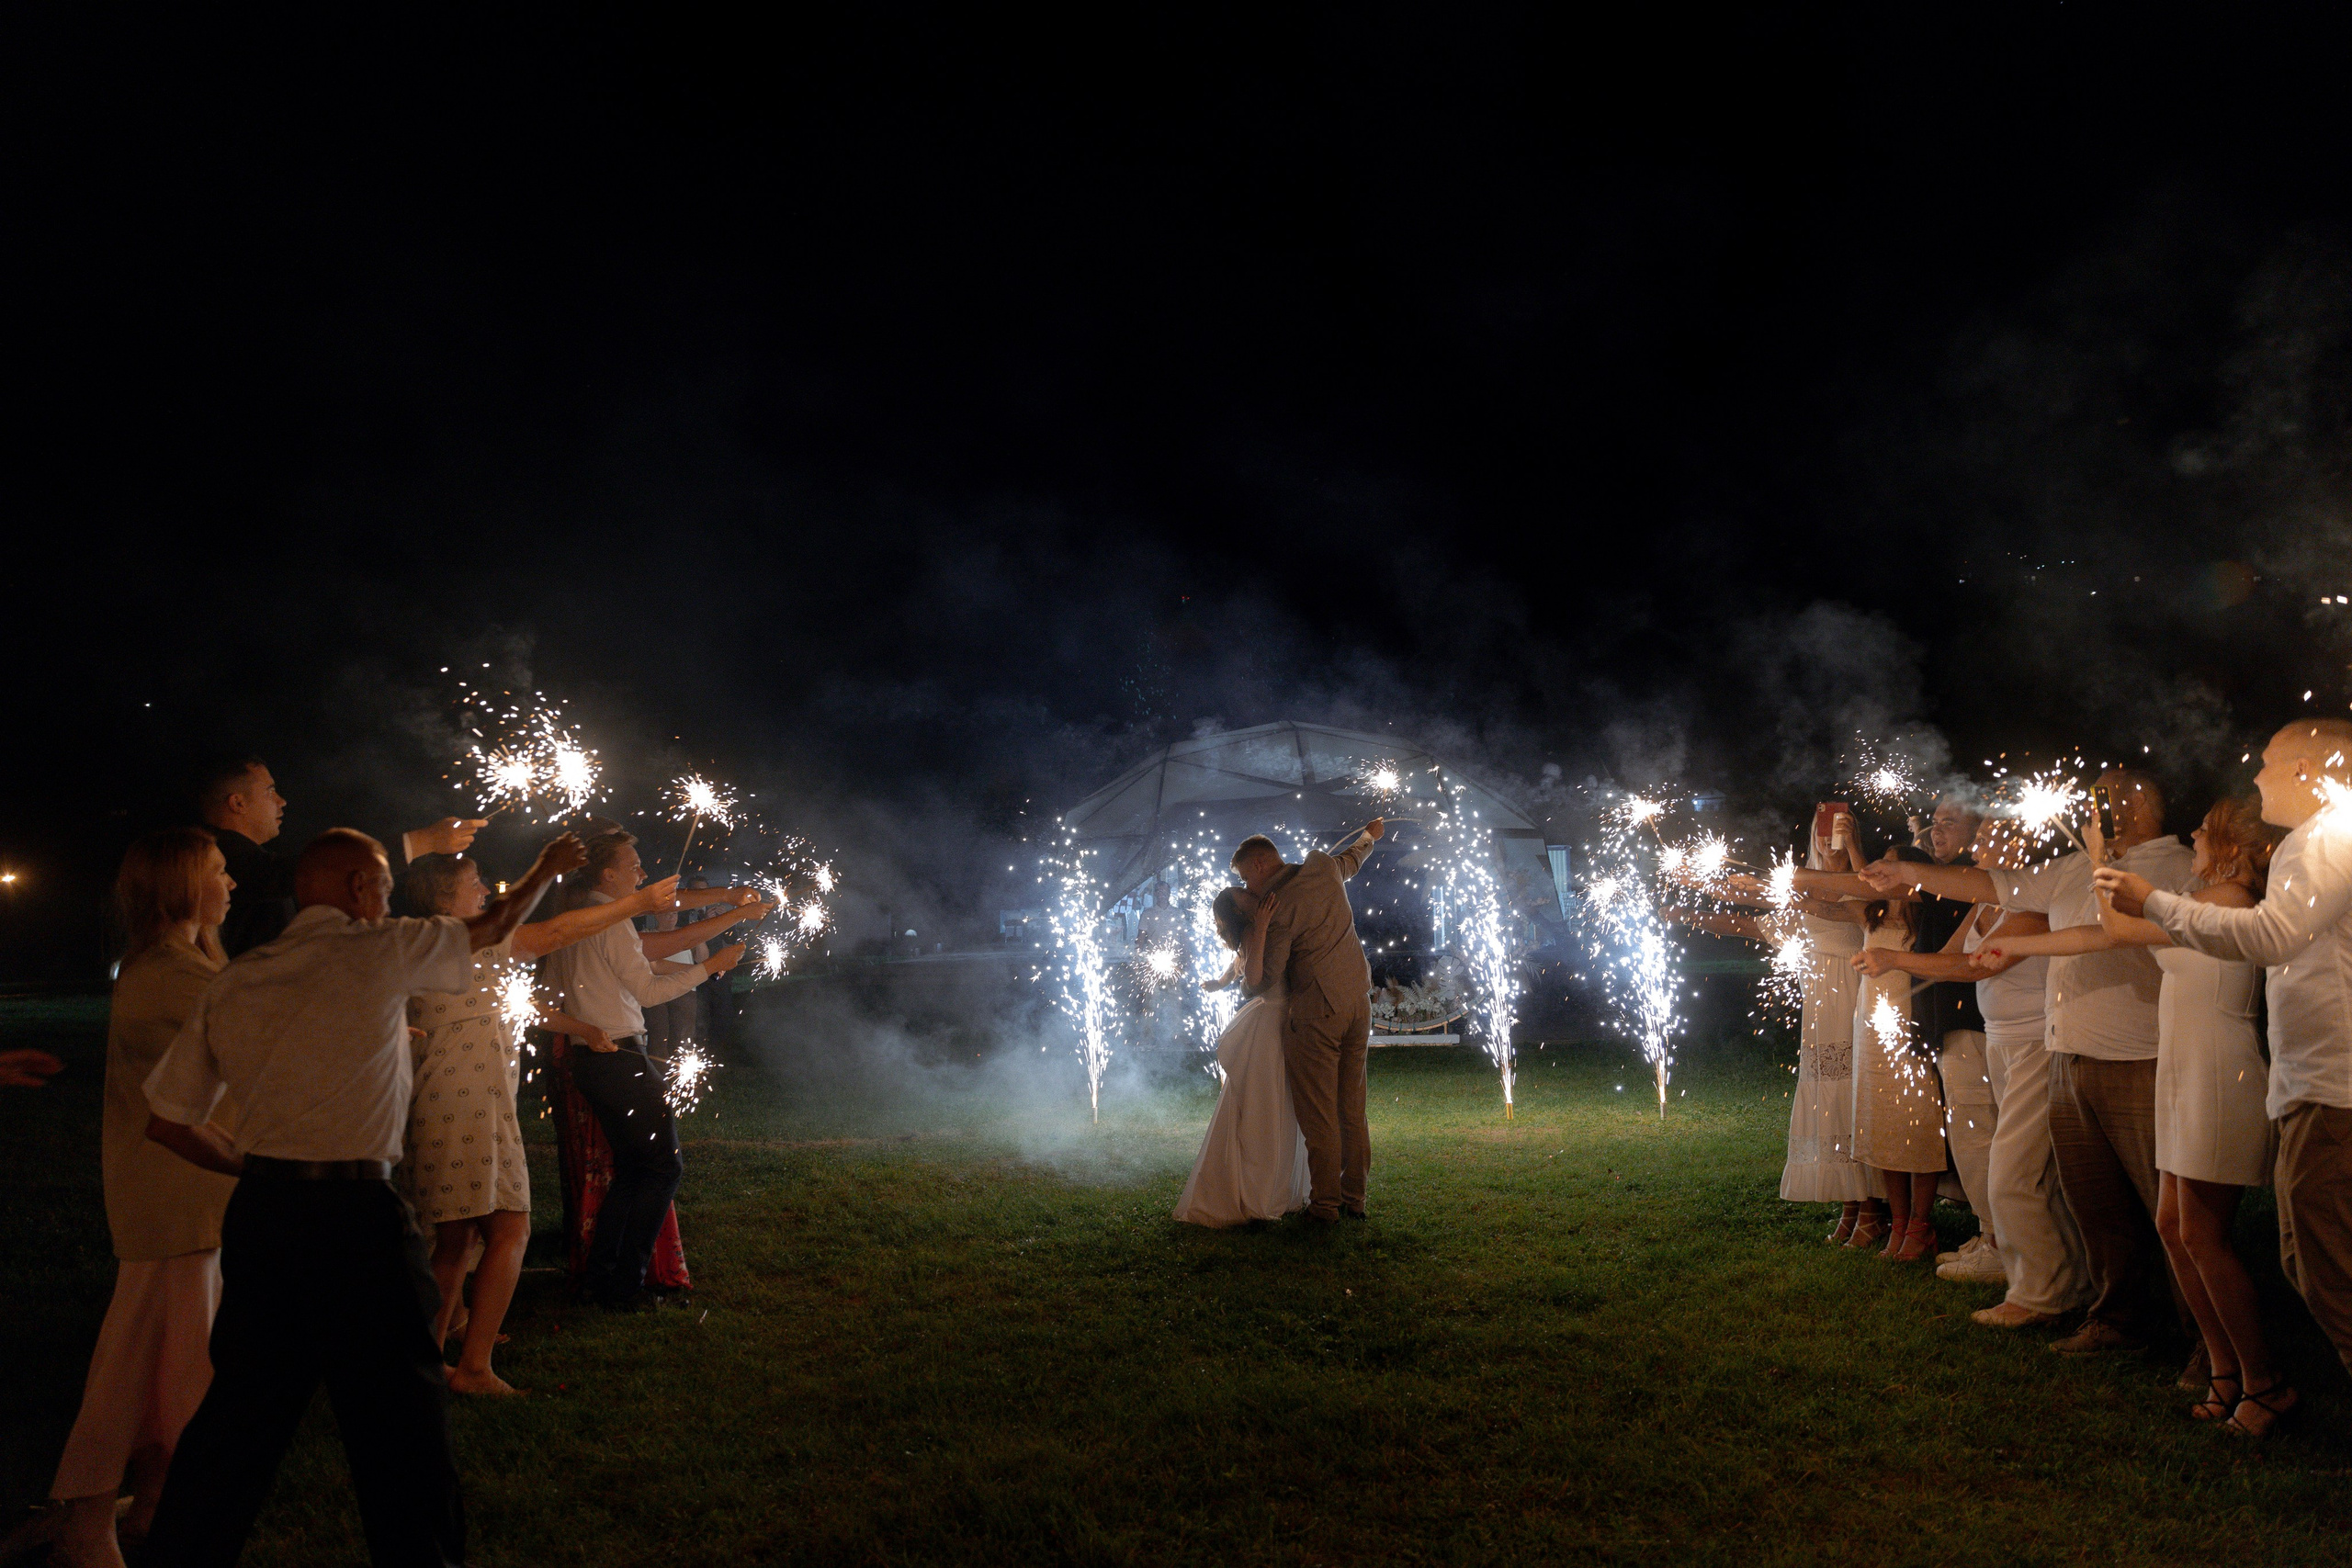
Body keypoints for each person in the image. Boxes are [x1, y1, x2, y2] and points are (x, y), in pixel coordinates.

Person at [138, 827, 584, 1568]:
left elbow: (168, 1119)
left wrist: (254, 1165)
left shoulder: (239, 976)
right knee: (401, 1424)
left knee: (238, 1420)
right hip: (356, 1217)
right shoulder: (379, 948)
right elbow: (494, 926)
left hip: (265, 1213)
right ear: (356, 888)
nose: (388, 899)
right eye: (382, 884)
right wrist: (547, 866)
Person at [1865, 769, 2195, 1358]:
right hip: (2070, 1050)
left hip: (2136, 1056)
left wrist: (2016, 945)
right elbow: (1992, 887)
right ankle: (2116, 1316)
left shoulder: (2170, 866)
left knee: (2164, 1206)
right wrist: (1911, 871)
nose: (2090, 809)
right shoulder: (2072, 869)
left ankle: (2199, 1335)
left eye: (2103, 799)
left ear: (2134, 807)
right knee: (2096, 1203)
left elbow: (2110, 935)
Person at [1983, 798, 2281, 1430]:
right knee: (2175, 1228)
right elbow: (2098, 934)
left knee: (2203, 1234)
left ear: (2229, 845)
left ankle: (2264, 1380)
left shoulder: (2227, 905)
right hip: (2183, 1069)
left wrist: (2097, 857)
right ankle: (2227, 1371)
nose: (2194, 831)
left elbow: (2117, 929)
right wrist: (2016, 942)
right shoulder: (2202, 901)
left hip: (2217, 1075)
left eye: (2205, 827)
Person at [2100, 718, 2352, 1437]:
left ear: (2310, 767)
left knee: (2328, 1270)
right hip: (2316, 1082)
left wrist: (2153, 899)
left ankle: (2265, 1384)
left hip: (2333, 1085)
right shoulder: (2328, 837)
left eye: (2270, 762)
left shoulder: (2329, 835)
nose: (2258, 775)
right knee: (2314, 1262)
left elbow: (2271, 937)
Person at [400, 852, 686, 1394]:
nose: (485, 886)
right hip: (469, 1107)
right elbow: (555, 932)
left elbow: (517, 1003)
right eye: (473, 881)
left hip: (455, 1103)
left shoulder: (427, 945)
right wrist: (637, 904)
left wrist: (579, 1025)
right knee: (510, 1229)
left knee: (456, 1238)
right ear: (444, 898)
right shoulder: (464, 939)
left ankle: (432, 1360)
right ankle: (472, 1367)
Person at [40, 829, 238, 1568]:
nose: (232, 883)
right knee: (133, 1360)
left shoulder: (187, 963)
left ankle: (155, 1502)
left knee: (178, 1358)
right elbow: (258, 1026)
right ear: (185, 883)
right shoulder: (169, 974)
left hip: (195, 1190)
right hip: (168, 1192)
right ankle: (85, 1517)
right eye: (219, 871)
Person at [1860, 819, 2086, 1325]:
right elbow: (1946, 958)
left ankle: (2040, 1291)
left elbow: (1979, 964)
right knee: (2022, 1167)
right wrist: (1894, 964)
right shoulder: (1989, 902)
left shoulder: (2034, 901)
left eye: (1992, 839)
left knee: (2014, 1169)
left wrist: (1891, 958)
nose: (1979, 847)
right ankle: (2058, 1272)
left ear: (2022, 845)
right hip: (2002, 1040)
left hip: (2034, 1042)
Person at [539, 831, 764, 1308]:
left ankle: (604, 1280)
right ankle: (624, 1286)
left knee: (635, 1170)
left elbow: (639, 964)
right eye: (634, 865)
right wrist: (711, 968)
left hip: (591, 1060)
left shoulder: (573, 921)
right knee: (664, 1166)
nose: (643, 875)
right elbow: (647, 991)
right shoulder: (612, 923)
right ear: (609, 874)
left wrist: (730, 908)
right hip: (620, 1060)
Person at [1231, 820, 1383, 1223]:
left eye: (1247, 878)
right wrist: (1369, 837)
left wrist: (1257, 933)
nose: (1249, 890)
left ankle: (1326, 1206)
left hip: (1317, 1014)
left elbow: (1263, 983)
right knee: (1353, 1108)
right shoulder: (1323, 867)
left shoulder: (1280, 907)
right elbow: (1352, 858)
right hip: (1358, 1001)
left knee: (1319, 1115)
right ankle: (1356, 1198)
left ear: (1262, 864)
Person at [197, 755, 485, 956]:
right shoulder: (219, 852)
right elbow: (308, 874)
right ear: (237, 802)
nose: (281, 802)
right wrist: (425, 840)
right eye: (270, 793)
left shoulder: (247, 858)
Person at [1172, 887, 1311, 1225]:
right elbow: (1252, 975)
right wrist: (1261, 929)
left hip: (1277, 1018)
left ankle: (1277, 1185)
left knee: (1275, 1100)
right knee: (1267, 1102)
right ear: (1240, 910)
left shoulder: (1253, 930)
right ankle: (1263, 1190)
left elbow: (1236, 966)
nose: (1251, 893)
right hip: (1271, 1021)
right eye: (1242, 894)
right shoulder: (1255, 930)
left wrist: (1219, 983)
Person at [1841, 846, 1948, 1262]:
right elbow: (1829, 899)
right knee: (1884, 1125)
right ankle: (1899, 1224)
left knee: (1918, 1126)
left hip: (1912, 1028)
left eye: (1890, 863)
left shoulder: (1929, 913)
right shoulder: (1871, 914)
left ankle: (1921, 1225)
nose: (1880, 870)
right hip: (1872, 1034)